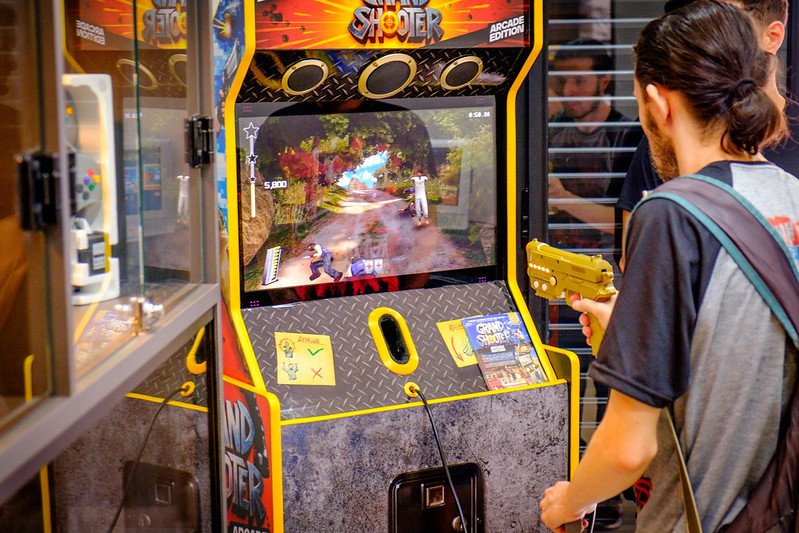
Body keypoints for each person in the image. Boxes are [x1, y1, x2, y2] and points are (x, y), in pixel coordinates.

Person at [539, 1, 798, 531]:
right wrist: (630, 332)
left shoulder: (671, 213)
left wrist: (569, 502)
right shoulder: (791, 195)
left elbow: (627, 450)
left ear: (658, 102)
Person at [615, 0, 795, 270]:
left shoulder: (667, 212)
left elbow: (647, 277)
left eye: (725, 21)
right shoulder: (791, 191)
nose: (707, 31)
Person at [548, 38, 642, 251]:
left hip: (605, 262)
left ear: (604, 82)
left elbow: (630, 221)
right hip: (556, 254)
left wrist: (563, 199)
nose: (568, 91)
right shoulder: (551, 129)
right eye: (562, 81)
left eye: (579, 81)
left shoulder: (625, 137)